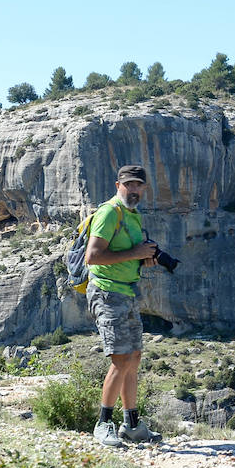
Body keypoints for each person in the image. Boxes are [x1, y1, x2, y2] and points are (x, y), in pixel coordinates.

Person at [85, 163, 163, 447]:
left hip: (126, 293)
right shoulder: (109, 212)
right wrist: (136, 252)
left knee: (134, 358)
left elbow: (126, 254)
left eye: (138, 185)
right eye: (128, 184)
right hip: (107, 293)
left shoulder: (133, 215)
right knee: (120, 359)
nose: (134, 189)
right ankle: (103, 424)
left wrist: (144, 258)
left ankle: (131, 425)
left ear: (144, 188)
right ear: (117, 185)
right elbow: (92, 257)